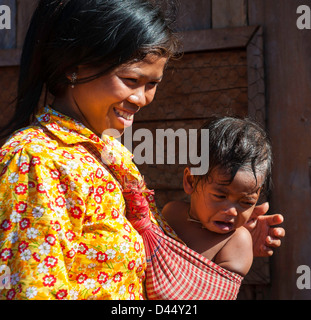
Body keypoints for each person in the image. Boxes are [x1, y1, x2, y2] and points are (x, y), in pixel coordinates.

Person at [0, 0, 284, 300]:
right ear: (73, 68)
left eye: (152, 84)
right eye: (131, 80)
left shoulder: (108, 152)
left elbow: (145, 262)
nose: (141, 99)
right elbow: (30, 291)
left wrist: (223, 242)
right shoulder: (36, 160)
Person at [162, 116, 274, 277]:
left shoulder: (236, 242)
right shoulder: (171, 214)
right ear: (191, 181)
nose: (232, 212)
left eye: (246, 202)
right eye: (220, 196)